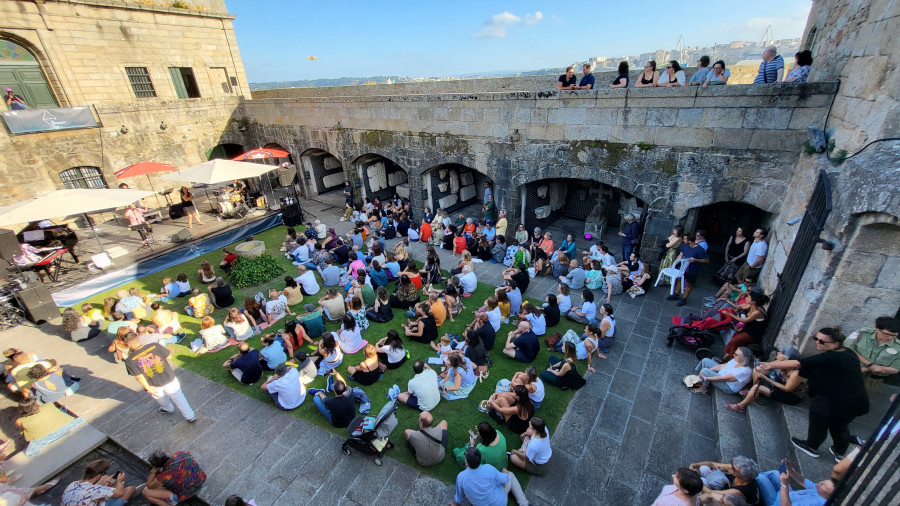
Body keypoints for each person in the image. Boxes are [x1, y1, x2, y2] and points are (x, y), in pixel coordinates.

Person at [758, 327, 869, 461]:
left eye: (822, 342)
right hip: (856, 402)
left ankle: (811, 447)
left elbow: (798, 363)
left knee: (819, 422)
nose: (817, 343)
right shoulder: (848, 353)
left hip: (832, 402)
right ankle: (839, 452)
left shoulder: (829, 358)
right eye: (816, 339)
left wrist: (770, 365)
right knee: (840, 426)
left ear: (835, 344)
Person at [124, 333, 195, 421]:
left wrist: (148, 388)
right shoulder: (154, 346)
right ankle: (190, 416)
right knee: (178, 396)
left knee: (161, 398)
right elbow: (169, 357)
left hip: (153, 384)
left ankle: (168, 408)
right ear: (138, 338)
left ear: (128, 344)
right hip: (168, 377)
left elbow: (139, 377)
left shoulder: (130, 360)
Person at [725, 346, 807, 413]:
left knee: (758, 388)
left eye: (781, 353)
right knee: (757, 370)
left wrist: (766, 378)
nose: (778, 353)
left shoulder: (796, 373)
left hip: (790, 395)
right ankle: (752, 392)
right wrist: (761, 368)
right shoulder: (782, 363)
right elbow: (768, 367)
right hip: (780, 384)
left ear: (787, 358)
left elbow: (786, 389)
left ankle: (740, 406)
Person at [451, 448, 529, 506]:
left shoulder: (461, 477)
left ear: (467, 462)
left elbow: (459, 497)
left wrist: (456, 504)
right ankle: (524, 504)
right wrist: (505, 473)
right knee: (510, 475)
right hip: (500, 503)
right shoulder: (488, 468)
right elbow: (505, 480)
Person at [845, 316, 900, 392]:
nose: (890, 338)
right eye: (886, 334)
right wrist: (870, 364)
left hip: (873, 378)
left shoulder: (898, 347)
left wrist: (867, 369)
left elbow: (896, 369)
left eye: (894, 335)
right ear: (877, 329)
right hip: (851, 369)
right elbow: (848, 348)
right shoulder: (862, 333)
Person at [689, 455, 761, 505]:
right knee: (704, 468)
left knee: (702, 482)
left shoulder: (740, 491)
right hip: (727, 484)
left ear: (744, 477)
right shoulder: (737, 468)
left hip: (731, 500)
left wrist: (695, 477)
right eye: (732, 465)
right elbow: (712, 463)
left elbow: (710, 492)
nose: (730, 467)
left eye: (734, 469)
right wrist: (695, 465)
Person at [62, 458, 136, 506]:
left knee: (105, 478)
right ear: (97, 475)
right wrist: (119, 481)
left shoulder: (72, 484)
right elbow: (119, 493)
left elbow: (93, 492)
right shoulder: (95, 490)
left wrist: (105, 485)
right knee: (130, 489)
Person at [720, 292, 770, 360]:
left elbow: (744, 320)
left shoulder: (758, 312)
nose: (746, 298)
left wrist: (729, 314)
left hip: (753, 334)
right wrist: (730, 303)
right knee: (734, 338)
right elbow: (737, 306)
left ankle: (731, 358)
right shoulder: (750, 305)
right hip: (748, 329)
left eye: (749, 297)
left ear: (753, 302)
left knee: (735, 340)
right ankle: (724, 357)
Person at [668, 233, 709, 306]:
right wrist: (673, 265)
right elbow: (680, 255)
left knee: (689, 284)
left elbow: (706, 260)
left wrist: (695, 260)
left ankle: (684, 299)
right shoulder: (684, 245)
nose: (683, 240)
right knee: (679, 280)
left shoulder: (700, 250)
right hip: (683, 268)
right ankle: (676, 295)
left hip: (693, 270)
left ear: (690, 241)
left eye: (684, 239)